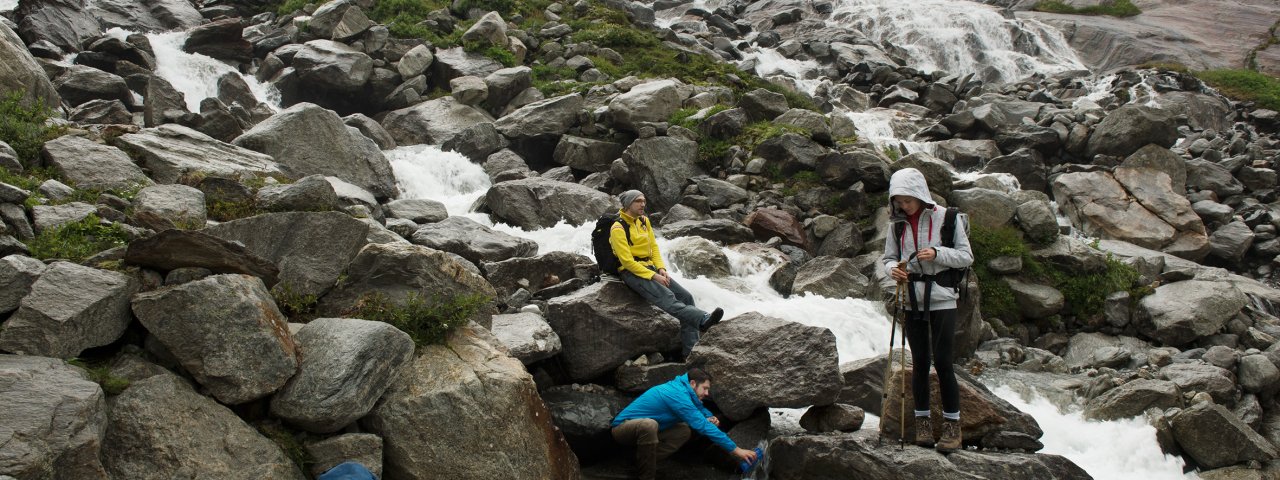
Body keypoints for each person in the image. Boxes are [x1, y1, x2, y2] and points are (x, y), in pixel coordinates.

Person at [880, 167, 974, 453]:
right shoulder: (896, 225)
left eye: (907, 200)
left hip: (944, 297)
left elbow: (966, 256)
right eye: (899, 201)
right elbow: (888, 258)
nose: (903, 205)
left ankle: (951, 427)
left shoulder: (948, 217)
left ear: (920, 193)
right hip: (911, 297)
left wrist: (937, 253)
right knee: (919, 361)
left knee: (944, 362)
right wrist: (892, 270)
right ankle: (922, 424)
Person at [611, 190, 723, 360]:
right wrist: (654, 276)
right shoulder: (618, 227)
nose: (643, 204)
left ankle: (690, 351)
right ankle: (703, 319)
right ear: (627, 204)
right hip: (632, 273)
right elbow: (626, 262)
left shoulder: (644, 221)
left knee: (686, 297)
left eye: (644, 200)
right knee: (669, 300)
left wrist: (661, 268)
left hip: (651, 268)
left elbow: (653, 247)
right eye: (638, 201)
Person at [611, 368, 757, 480]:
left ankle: (641, 461)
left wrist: (710, 416)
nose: (707, 393)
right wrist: (736, 450)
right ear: (693, 383)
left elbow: (699, 407)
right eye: (705, 388)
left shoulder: (685, 390)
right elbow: (702, 426)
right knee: (649, 425)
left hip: (647, 431)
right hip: (623, 429)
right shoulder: (676, 394)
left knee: (683, 431)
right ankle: (646, 476)